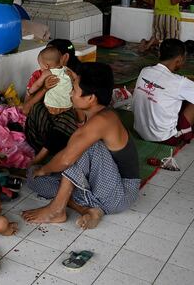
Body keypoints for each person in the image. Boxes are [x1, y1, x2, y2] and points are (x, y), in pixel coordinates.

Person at [22, 63, 140, 230]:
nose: (70, 93)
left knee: (83, 149)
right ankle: (89, 210)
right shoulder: (89, 116)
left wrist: (46, 169)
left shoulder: (105, 120)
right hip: (97, 188)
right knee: (33, 177)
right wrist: (40, 171)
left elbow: (66, 159)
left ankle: (57, 209)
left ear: (91, 98)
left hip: (119, 193)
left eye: (74, 90)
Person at [132, 39, 194, 143]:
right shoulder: (179, 82)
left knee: (180, 95)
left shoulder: (145, 71)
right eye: (185, 58)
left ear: (160, 54)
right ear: (179, 59)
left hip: (141, 132)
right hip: (166, 138)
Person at [21, 39, 82, 164]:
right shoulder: (39, 75)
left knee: (68, 119)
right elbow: (26, 109)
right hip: (45, 124)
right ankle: (45, 149)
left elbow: (82, 115)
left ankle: (46, 153)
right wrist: (44, 89)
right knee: (36, 108)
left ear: (64, 57)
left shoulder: (72, 74)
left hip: (65, 128)